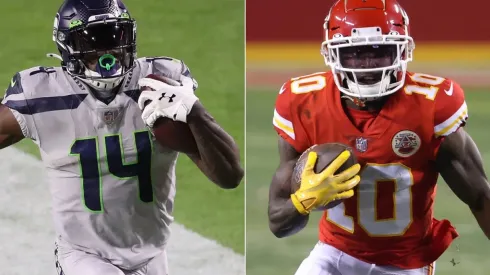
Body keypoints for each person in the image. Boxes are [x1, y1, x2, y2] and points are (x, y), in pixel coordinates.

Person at [0, 0, 243, 274]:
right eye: (94, 40)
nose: (109, 52)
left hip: (151, 253)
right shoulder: (43, 95)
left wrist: (194, 110)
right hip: (83, 254)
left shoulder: (161, 85)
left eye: (116, 36)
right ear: (69, 47)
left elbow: (230, 176)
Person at [268, 0, 490, 274]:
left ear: (402, 50)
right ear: (332, 54)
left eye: (380, 52)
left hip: (407, 263)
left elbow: (480, 196)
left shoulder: (432, 107)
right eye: (355, 54)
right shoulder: (301, 103)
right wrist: (304, 200)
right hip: (333, 254)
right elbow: (278, 222)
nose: (368, 65)